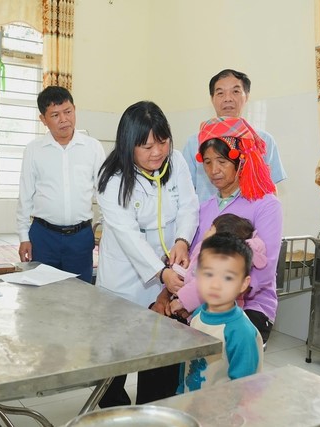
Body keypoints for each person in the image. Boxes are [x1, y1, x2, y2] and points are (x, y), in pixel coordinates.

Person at [96, 100, 199, 406]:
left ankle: (153, 412)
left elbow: (189, 205)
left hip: (166, 278)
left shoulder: (176, 162)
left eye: (162, 142)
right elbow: (128, 235)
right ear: (128, 146)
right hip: (125, 280)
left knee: (160, 355)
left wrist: (182, 241)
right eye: (147, 146)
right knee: (115, 359)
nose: (157, 152)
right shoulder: (111, 180)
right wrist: (161, 271)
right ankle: (115, 411)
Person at [157, 116, 283, 344]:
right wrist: (172, 291)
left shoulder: (266, 204)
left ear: (240, 160)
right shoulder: (204, 208)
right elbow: (193, 262)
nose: (214, 170)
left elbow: (263, 272)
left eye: (222, 161)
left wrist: (196, 298)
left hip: (250, 305)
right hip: (200, 299)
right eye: (207, 162)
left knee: (224, 356)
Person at [16, 86, 105, 283]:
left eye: (68, 111)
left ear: (75, 109)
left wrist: (107, 229)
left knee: (80, 292)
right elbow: (25, 196)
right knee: (42, 294)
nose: (64, 119)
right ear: (43, 119)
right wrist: (24, 237)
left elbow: (104, 193)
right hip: (43, 236)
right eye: (55, 115)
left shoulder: (92, 148)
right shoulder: (34, 150)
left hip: (80, 237)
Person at [182, 69, 287, 203]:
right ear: (212, 99)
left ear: (246, 96)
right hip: (207, 215)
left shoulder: (263, 140)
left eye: (235, 91)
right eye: (220, 93)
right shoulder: (194, 142)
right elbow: (186, 191)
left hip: (250, 215)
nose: (228, 98)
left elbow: (270, 188)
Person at [177, 232, 264, 393]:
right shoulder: (197, 315)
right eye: (208, 274)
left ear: (243, 284)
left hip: (223, 407)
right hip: (191, 401)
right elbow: (187, 361)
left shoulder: (241, 332)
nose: (215, 284)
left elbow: (243, 387)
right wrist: (181, 390)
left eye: (228, 277)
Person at [170, 213, 267, 320]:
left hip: (217, 315)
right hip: (201, 310)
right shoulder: (205, 250)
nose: (206, 231)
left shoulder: (220, 259)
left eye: (211, 229)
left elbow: (202, 284)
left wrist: (182, 301)